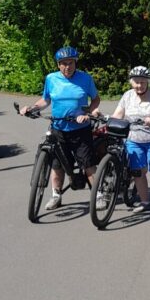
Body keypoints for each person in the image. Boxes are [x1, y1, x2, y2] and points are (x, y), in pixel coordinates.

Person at [19, 45, 101, 210]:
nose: (67, 67)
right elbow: (46, 100)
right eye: (63, 63)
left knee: (88, 164)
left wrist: (90, 112)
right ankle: (56, 196)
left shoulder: (85, 78)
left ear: (75, 63)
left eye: (70, 63)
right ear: (58, 64)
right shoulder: (51, 79)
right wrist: (32, 108)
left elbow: (95, 99)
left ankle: (98, 195)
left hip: (80, 128)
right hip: (58, 127)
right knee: (57, 164)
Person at [110, 66, 150, 212]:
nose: (139, 85)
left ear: (148, 82)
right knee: (138, 171)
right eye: (136, 82)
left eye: (142, 82)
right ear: (131, 82)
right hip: (134, 139)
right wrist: (109, 120)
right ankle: (145, 202)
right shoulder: (127, 96)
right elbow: (118, 114)